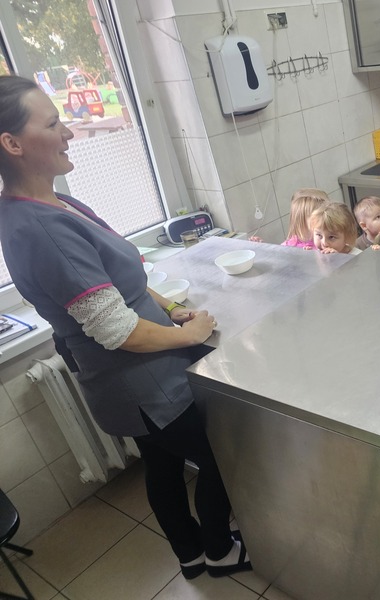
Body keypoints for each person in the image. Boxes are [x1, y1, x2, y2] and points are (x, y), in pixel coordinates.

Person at [0, 75, 250, 579]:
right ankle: (220, 550)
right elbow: (117, 330)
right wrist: (191, 333)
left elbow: (120, 277)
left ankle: (190, 555)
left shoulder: (54, 204)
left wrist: (168, 306)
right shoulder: (42, 229)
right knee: (222, 457)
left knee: (161, 463)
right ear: (13, 143)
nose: (69, 132)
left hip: (132, 380)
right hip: (145, 384)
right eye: (52, 124)